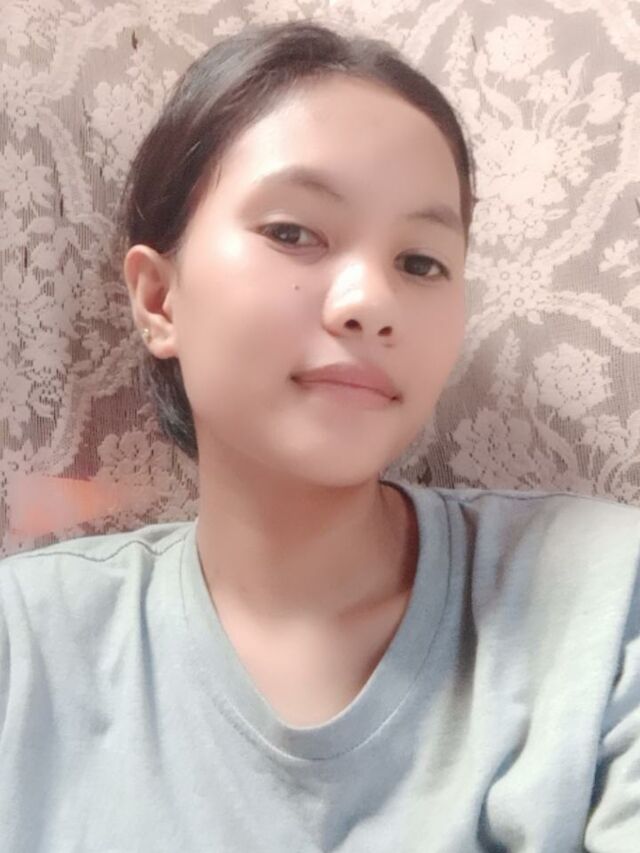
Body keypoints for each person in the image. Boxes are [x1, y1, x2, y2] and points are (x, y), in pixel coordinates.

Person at [0, 18, 638, 852]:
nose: (371, 302)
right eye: (292, 232)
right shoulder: (26, 645)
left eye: (421, 261)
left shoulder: (604, 602)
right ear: (158, 300)